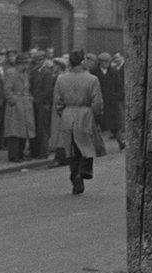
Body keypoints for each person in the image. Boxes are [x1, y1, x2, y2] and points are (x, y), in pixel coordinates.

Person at [53, 49, 103, 194]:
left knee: (71, 149)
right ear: (82, 61)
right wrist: (96, 115)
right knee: (87, 147)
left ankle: (75, 174)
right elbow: (97, 102)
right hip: (85, 114)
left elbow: (58, 101)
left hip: (68, 114)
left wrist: (62, 112)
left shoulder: (61, 79)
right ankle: (82, 172)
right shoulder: (92, 79)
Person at [4, 52, 36, 162]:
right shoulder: (11, 73)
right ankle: (13, 155)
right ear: (21, 64)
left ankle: (21, 154)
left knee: (24, 131)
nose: (27, 66)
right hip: (16, 106)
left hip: (25, 104)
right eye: (26, 64)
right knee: (15, 131)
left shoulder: (25, 74)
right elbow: (7, 89)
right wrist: (14, 101)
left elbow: (27, 88)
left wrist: (29, 98)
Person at [91, 52, 125, 150]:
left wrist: (118, 96)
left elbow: (119, 86)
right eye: (103, 61)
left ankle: (121, 142)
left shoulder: (114, 72)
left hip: (111, 103)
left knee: (115, 126)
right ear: (100, 62)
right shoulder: (94, 72)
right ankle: (99, 147)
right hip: (99, 102)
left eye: (107, 61)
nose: (106, 63)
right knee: (96, 126)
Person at [29, 51, 56, 158]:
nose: (38, 62)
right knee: (34, 128)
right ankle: (35, 151)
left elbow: (47, 90)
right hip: (34, 103)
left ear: (43, 60)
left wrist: (39, 101)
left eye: (40, 60)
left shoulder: (47, 73)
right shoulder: (33, 71)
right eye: (36, 60)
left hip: (43, 104)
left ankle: (43, 152)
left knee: (42, 129)